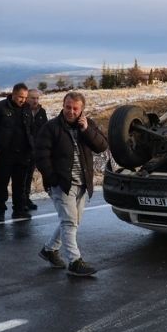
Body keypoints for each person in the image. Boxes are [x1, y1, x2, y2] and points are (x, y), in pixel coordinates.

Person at [34, 92, 109, 277]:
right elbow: (41, 156)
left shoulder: (87, 124)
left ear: (81, 109)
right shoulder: (51, 127)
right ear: (63, 105)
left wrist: (86, 130)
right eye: (68, 107)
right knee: (69, 222)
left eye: (75, 108)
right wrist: (53, 180)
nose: (71, 111)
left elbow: (102, 146)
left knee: (73, 222)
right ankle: (75, 262)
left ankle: (49, 250)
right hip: (62, 184)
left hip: (82, 183)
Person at [0, 83, 33, 222]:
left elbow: (30, 128)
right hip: (5, 153)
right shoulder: (0, 107)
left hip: (23, 153)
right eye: (20, 97)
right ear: (13, 94)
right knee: (2, 183)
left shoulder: (27, 108)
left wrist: (31, 147)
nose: (23, 100)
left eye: (25, 97)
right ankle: (0, 210)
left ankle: (18, 210)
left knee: (20, 184)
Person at [22, 88, 48, 211]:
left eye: (37, 98)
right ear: (27, 98)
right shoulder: (21, 111)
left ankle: (26, 198)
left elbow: (46, 130)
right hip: (22, 150)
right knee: (21, 176)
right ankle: (20, 201)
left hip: (35, 151)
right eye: (33, 98)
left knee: (29, 176)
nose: (35, 100)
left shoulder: (42, 112)